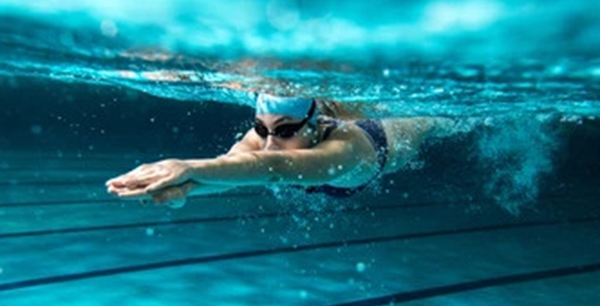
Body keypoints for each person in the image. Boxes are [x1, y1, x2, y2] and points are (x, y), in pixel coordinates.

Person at [106, 93, 447, 208]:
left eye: (284, 130)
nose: (269, 142)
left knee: (439, 119)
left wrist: (185, 166)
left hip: (403, 133)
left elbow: (275, 167)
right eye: (260, 128)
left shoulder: (347, 149)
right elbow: (231, 169)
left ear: (315, 124)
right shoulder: (266, 139)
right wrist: (183, 189)